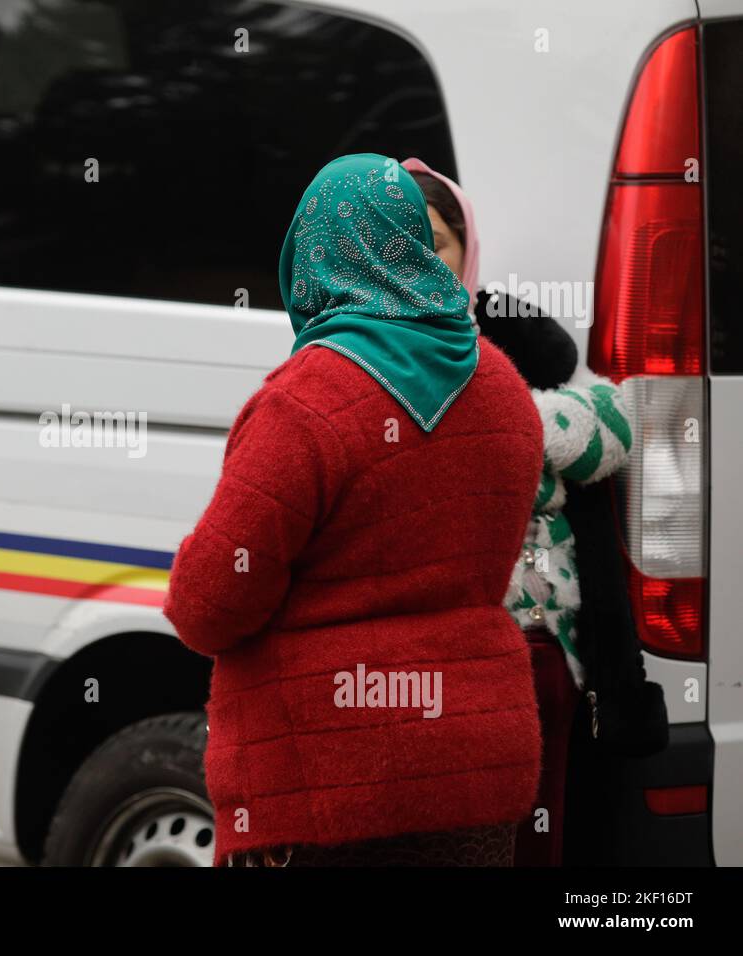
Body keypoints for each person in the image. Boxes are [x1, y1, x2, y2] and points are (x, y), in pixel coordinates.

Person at [163, 153, 544, 867]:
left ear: (312, 255)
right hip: (477, 761)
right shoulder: (505, 389)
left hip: (332, 779)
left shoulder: (304, 400)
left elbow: (209, 605)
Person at [402, 158, 664, 866]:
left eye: (435, 240)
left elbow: (611, 426)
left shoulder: (520, 341)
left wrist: (503, 424)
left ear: (466, 250)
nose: (419, 261)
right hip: (424, 666)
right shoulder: (356, 352)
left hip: (544, 654)